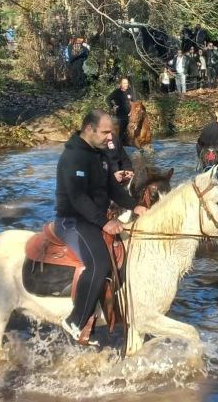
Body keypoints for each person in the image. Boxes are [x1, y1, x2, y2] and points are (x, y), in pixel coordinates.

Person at [55, 109, 147, 342]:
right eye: (105, 132)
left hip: (94, 218)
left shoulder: (101, 155)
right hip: (73, 220)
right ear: (89, 129)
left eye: (111, 133)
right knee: (99, 263)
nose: (110, 138)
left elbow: (113, 189)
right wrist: (105, 222)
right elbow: (78, 199)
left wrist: (134, 206)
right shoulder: (73, 157)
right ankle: (75, 320)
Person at [106, 77, 138, 145]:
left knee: (133, 130)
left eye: (126, 83)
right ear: (121, 84)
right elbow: (108, 99)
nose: (126, 84)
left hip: (131, 115)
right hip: (121, 115)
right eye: (124, 83)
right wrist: (112, 107)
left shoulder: (130, 91)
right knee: (122, 130)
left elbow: (134, 102)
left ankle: (134, 144)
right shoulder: (117, 92)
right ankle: (120, 145)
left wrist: (132, 111)